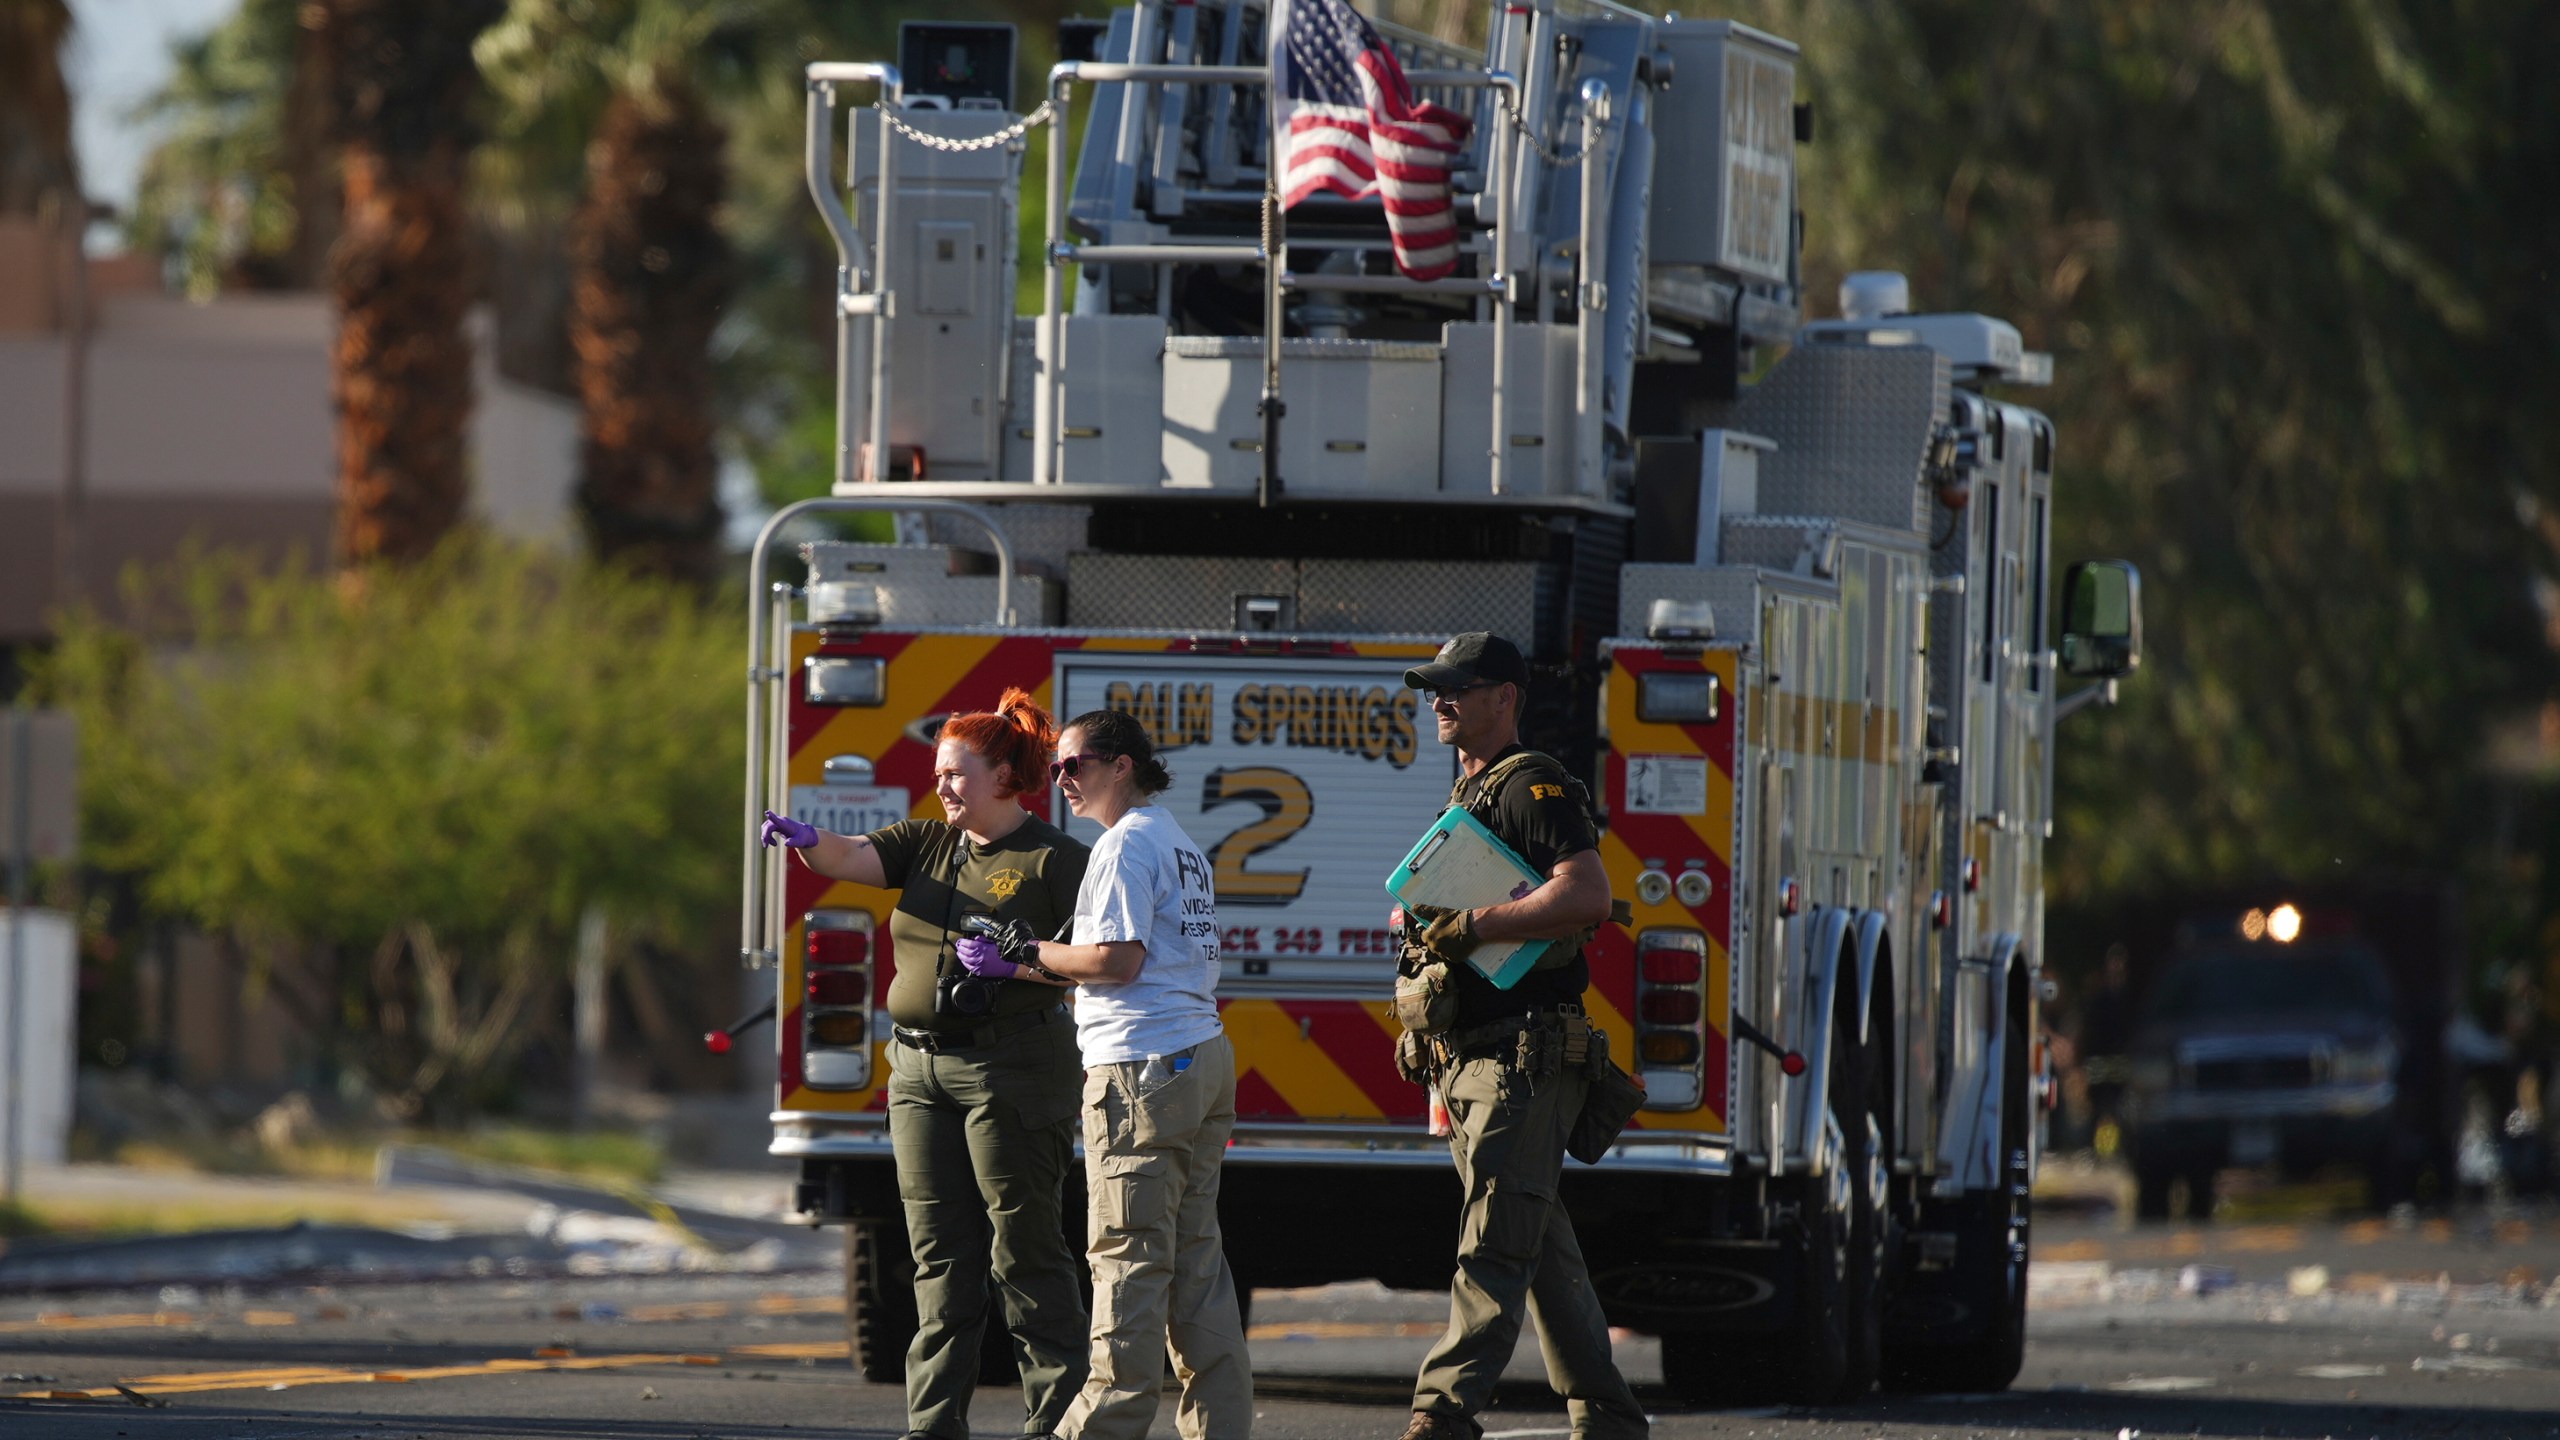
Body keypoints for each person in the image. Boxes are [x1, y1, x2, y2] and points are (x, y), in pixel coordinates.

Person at [760, 688, 1089, 1440]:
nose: (941, 786)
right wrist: (809, 837)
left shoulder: (1055, 860)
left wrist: (1016, 969)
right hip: (917, 1074)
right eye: (938, 772)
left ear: (1005, 775)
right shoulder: (925, 842)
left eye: (956, 774)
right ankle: (934, 1425)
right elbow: (849, 857)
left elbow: (1097, 965)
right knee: (938, 1257)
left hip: (1013, 1070)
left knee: (1026, 1249)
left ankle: (1061, 1424)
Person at [957, 707, 1253, 1440]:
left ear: (1121, 765)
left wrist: (1021, 955)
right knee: (1196, 1268)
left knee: (1127, 1261)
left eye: (1074, 764)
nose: (1060, 779)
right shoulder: (1180, 843)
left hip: (1140, 1071)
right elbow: (1130, 962)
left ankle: (1096, 1430)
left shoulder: (1123, 847)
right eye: (1056, 767)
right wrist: (1043, 958)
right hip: (1199, 1058)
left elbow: (1117, 962)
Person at [1389, 632, 1646, 1440]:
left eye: (1458, 688)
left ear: (1505, 698)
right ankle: (1607, 1415)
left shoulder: (1529, 785)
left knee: (1495, 1242)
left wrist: (1473, 924)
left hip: (1522, 1058)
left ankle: (1444, 1410)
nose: (1441, 700)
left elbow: (1588, 894)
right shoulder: (1467, 795)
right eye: (1435, 688)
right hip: (1474, 1058)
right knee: (1542, 1249)